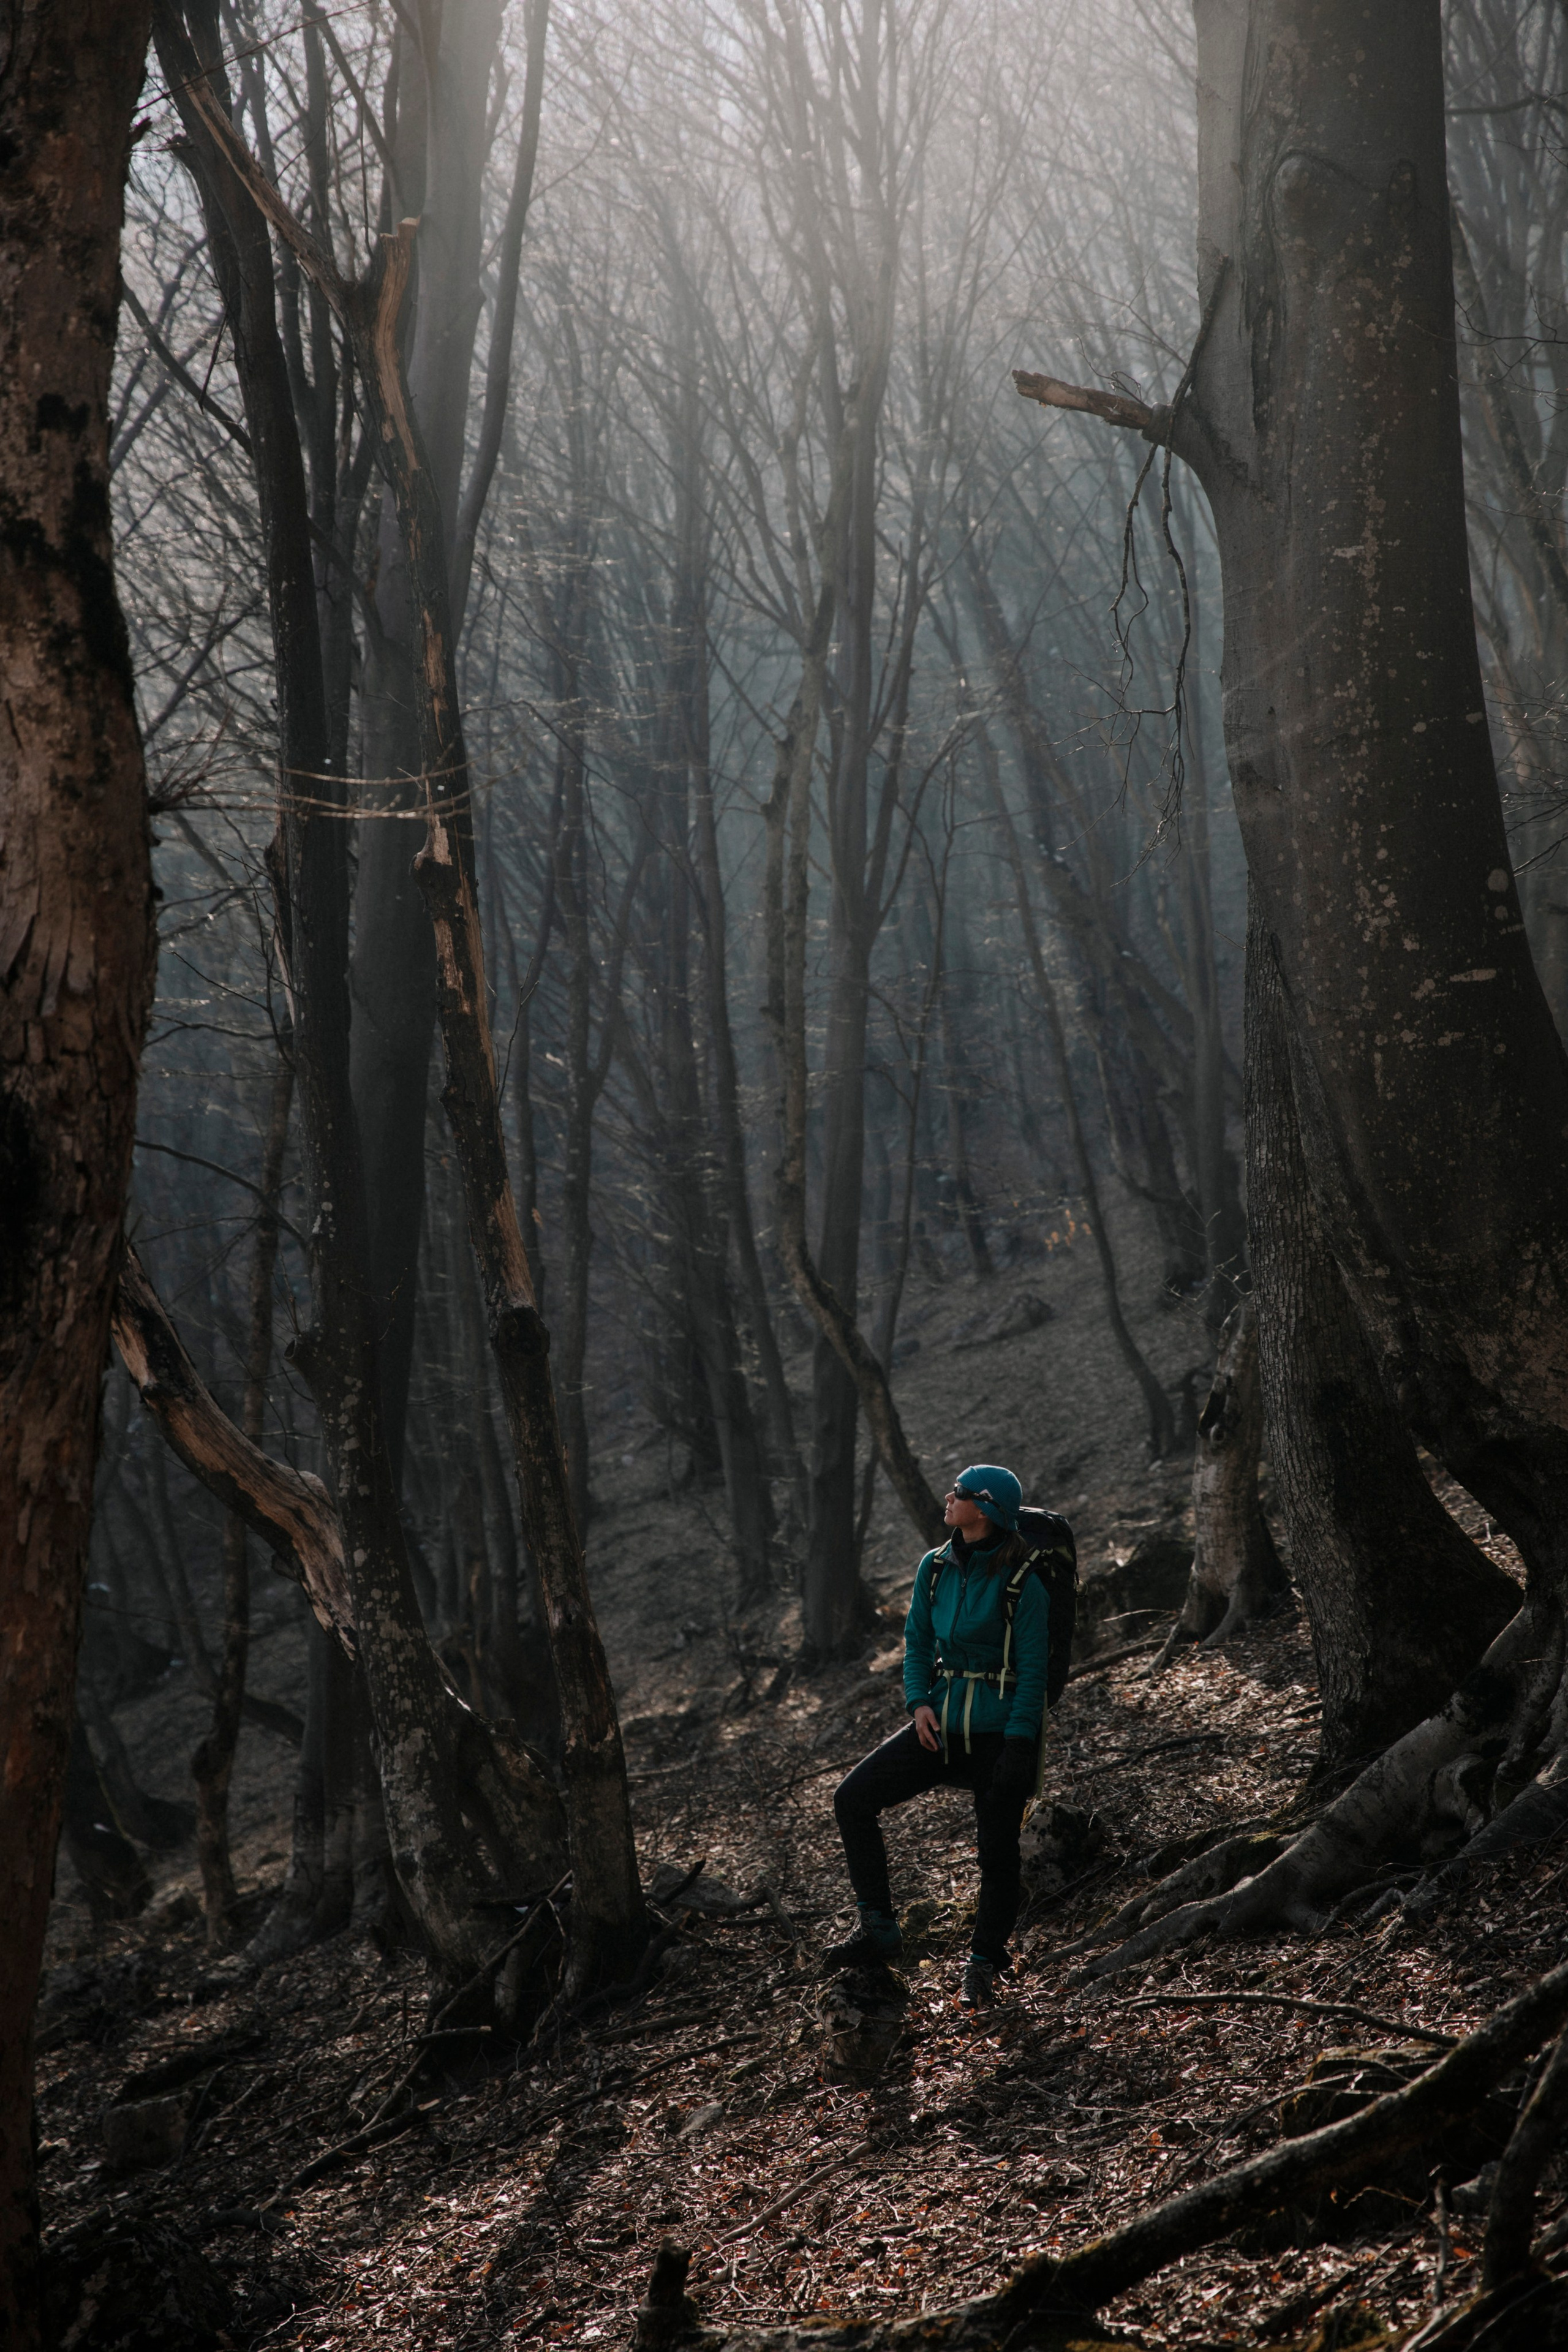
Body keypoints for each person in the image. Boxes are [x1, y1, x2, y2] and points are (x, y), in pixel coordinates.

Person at [826, 1464, 1048, 2008]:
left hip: (999, 1736)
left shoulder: (1024, 1580)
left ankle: (984, 1961)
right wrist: (919, 1703)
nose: (950, 1497)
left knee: (996, 1856)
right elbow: (918, 1644)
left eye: (963, 1493)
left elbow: (1034, 1672)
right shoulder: (934, 1567)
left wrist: (1020, 1746)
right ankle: (878, 1925)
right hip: (940, 1729)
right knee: (852, 1798)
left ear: (989, 1509)